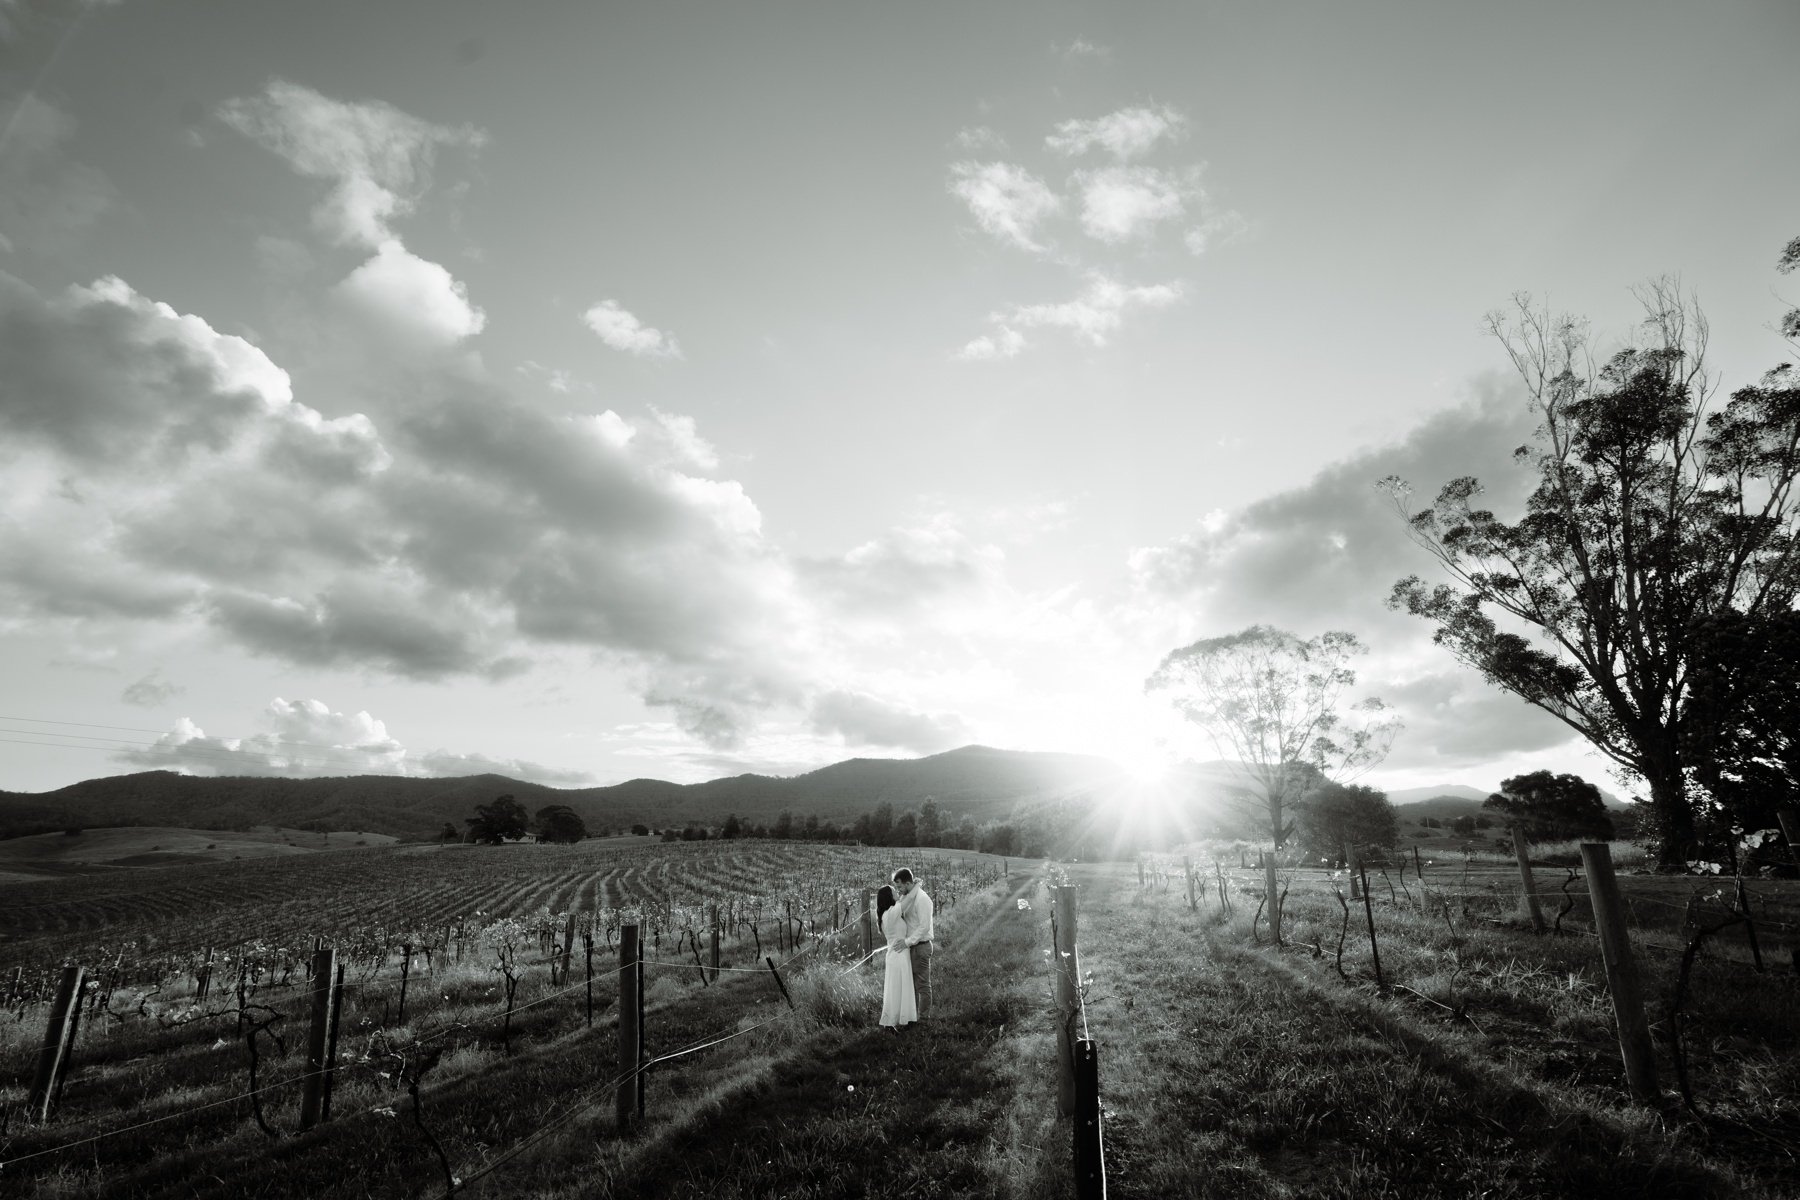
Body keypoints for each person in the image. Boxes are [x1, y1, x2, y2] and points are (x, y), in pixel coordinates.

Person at [892, 867, 933, 1020]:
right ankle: (912, 1016)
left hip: (920, 947)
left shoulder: (922, 899)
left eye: (900, 886)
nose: (898, 889)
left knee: (922, 985)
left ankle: (923, 1018)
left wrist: (907, 942)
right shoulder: (908, 897)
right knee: (912, 985)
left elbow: (924, 927)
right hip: (910, 947)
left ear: (908, 883)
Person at [876, 884, 917, 1030]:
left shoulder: (888, 914)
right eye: (894, 891)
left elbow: (904, 900)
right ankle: (892, 1022)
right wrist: (917, 885)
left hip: (898, 954)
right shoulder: (891, 913)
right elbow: (909, 898)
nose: (897, 892)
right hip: (898, 955)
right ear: (889, 896)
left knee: (899, 988)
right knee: (897, 989)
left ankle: (900, 1020)